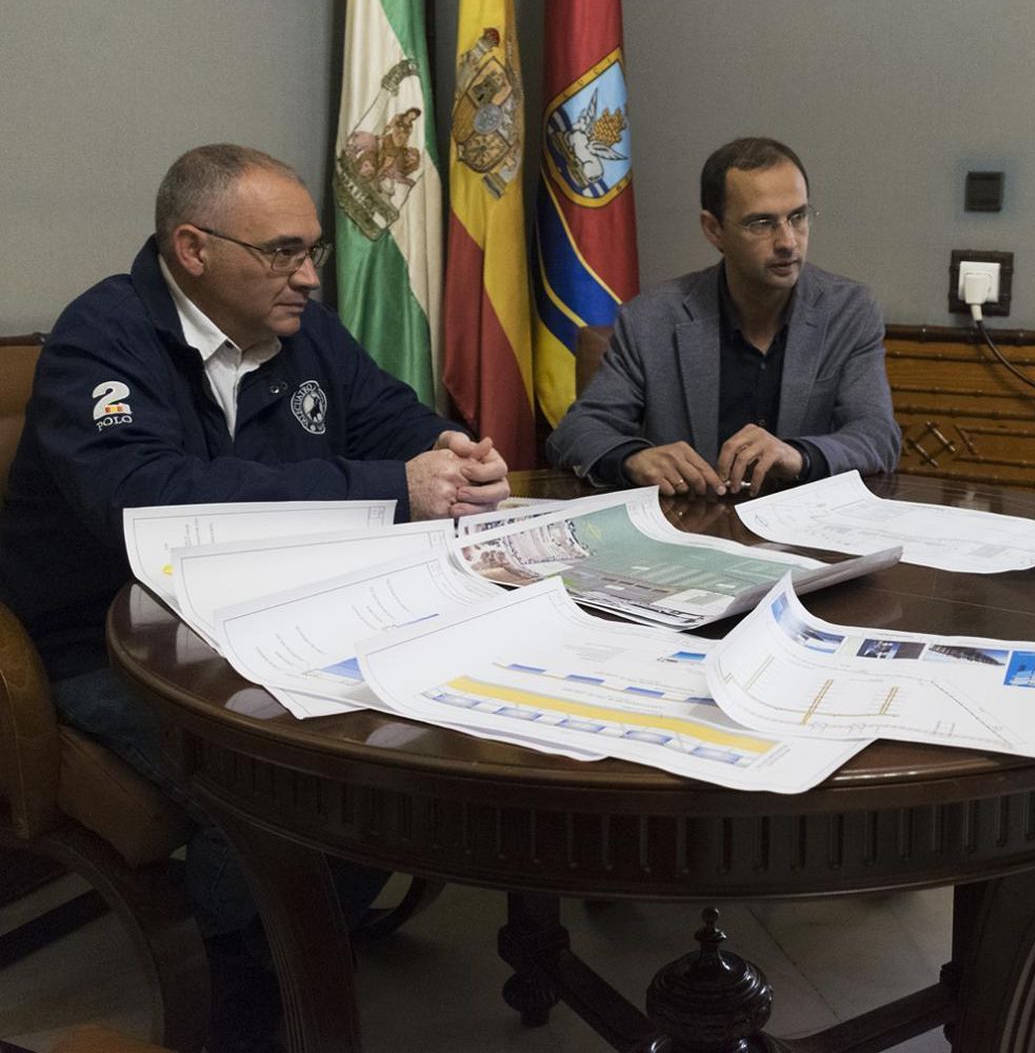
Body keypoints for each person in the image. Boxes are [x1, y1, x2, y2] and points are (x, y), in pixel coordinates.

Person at [0, 144, 510, 1052]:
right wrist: (393, 486)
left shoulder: (297, 327)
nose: (309, 277)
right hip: (110, 641)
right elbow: (146, 504)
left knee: (399, 736)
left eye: (310, 250)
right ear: (192, 248)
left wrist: (453, 449)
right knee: (280, 779)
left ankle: (303, 934)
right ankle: (249, 980)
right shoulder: (101, 338)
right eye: (282, 252)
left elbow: (389, 414)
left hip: (267, 618)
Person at [546, 136, 901, 496]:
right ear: (713, 229)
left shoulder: (848, 311)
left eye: (798, 217)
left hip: (804, 537)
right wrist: (633, 458)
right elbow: (576, 432)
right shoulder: (652, 319)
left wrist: (799, 456)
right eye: (762, 223)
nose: (788, 241)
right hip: (690, 529)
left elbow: (877, 436)